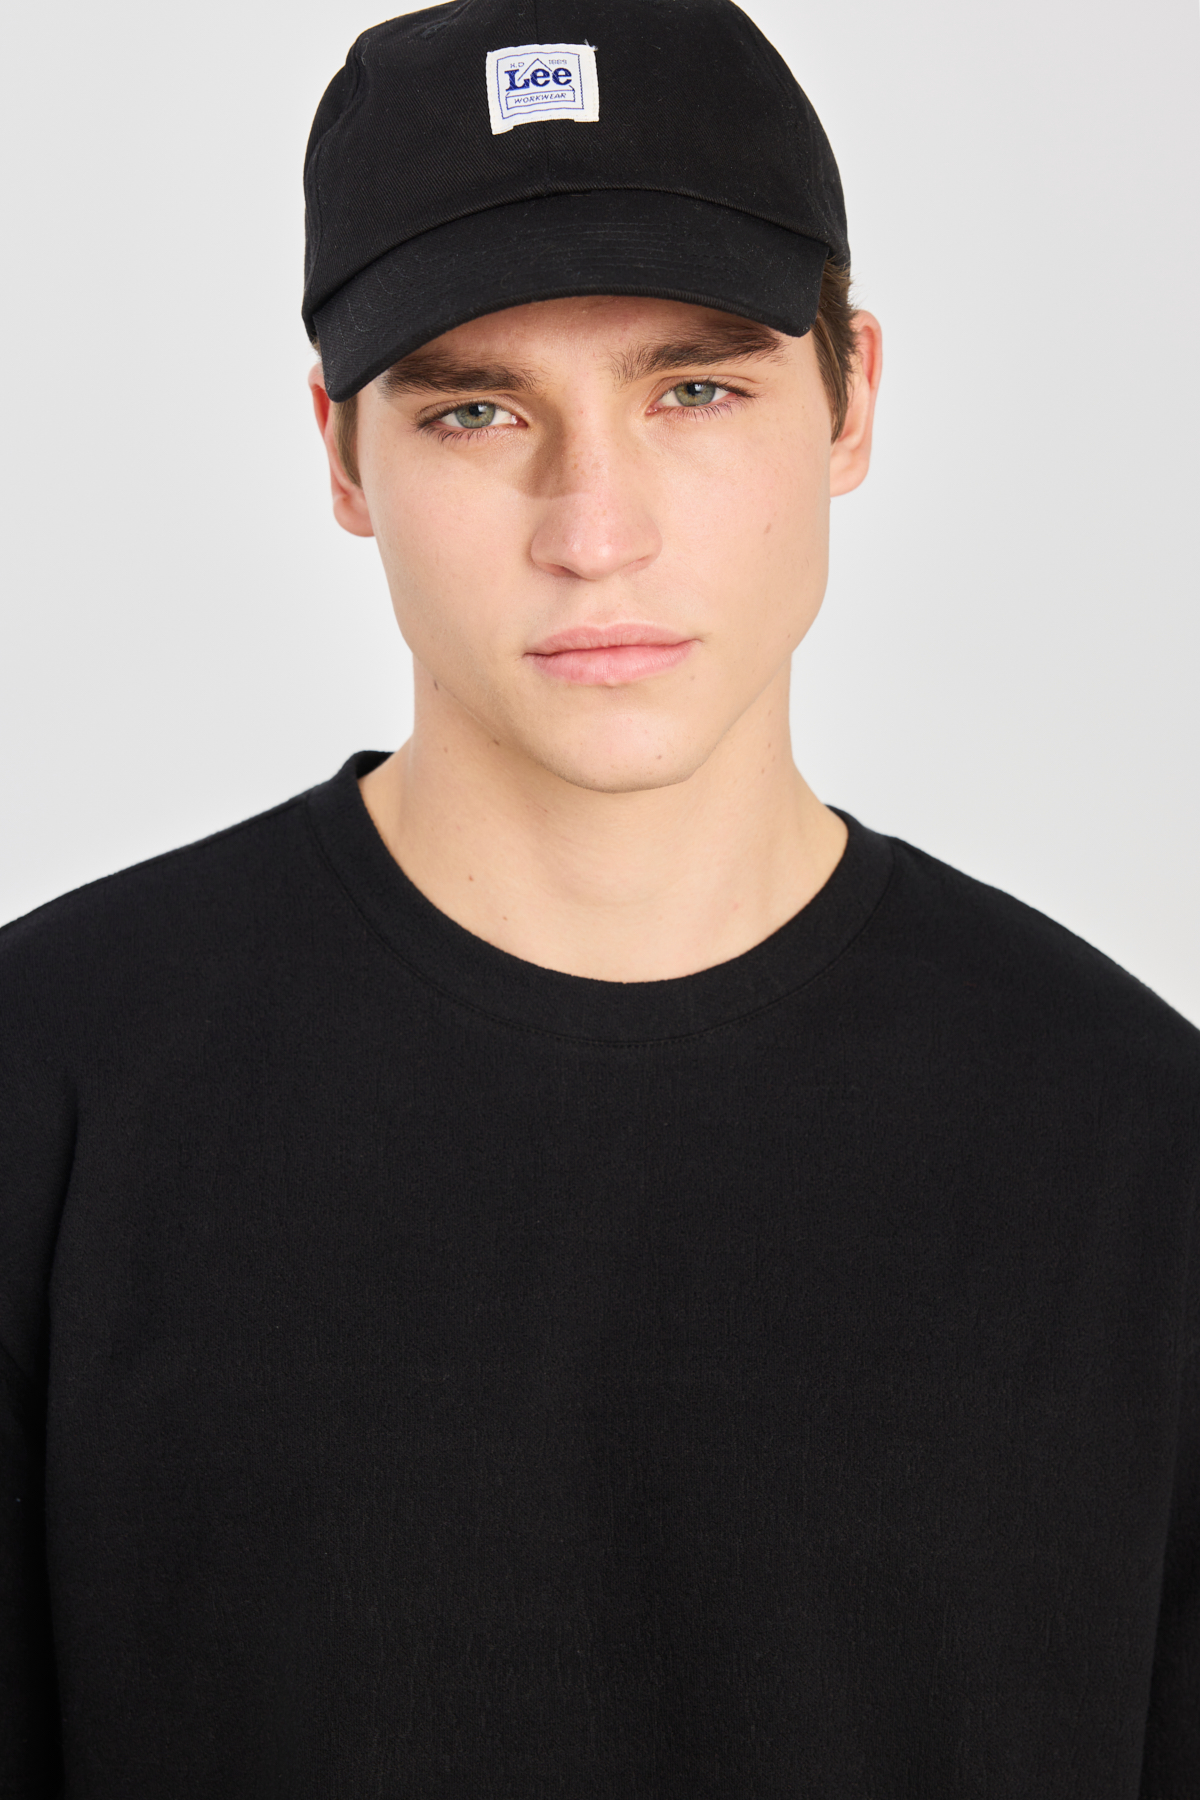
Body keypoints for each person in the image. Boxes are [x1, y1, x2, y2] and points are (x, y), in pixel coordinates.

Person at [2, 0, 1196, 1791]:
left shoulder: (1138, 1148)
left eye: (694, 391)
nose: (594, 530)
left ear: (853, 396)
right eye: (476, 410)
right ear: (341, 454)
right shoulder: (48, 1093)